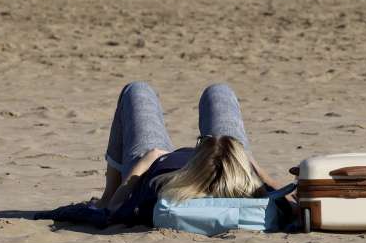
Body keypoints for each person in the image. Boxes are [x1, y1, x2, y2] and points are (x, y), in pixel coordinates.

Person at [92, 81, 284, 223]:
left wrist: (146, 161)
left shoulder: (161, 188)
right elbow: (288, 197)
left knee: (137, 90)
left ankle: (106, 193)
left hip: (161, 159)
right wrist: (253, 165)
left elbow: (114, 208)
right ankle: (231, 150)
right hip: (228, 161)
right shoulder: (251, 189)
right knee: (219, 91)